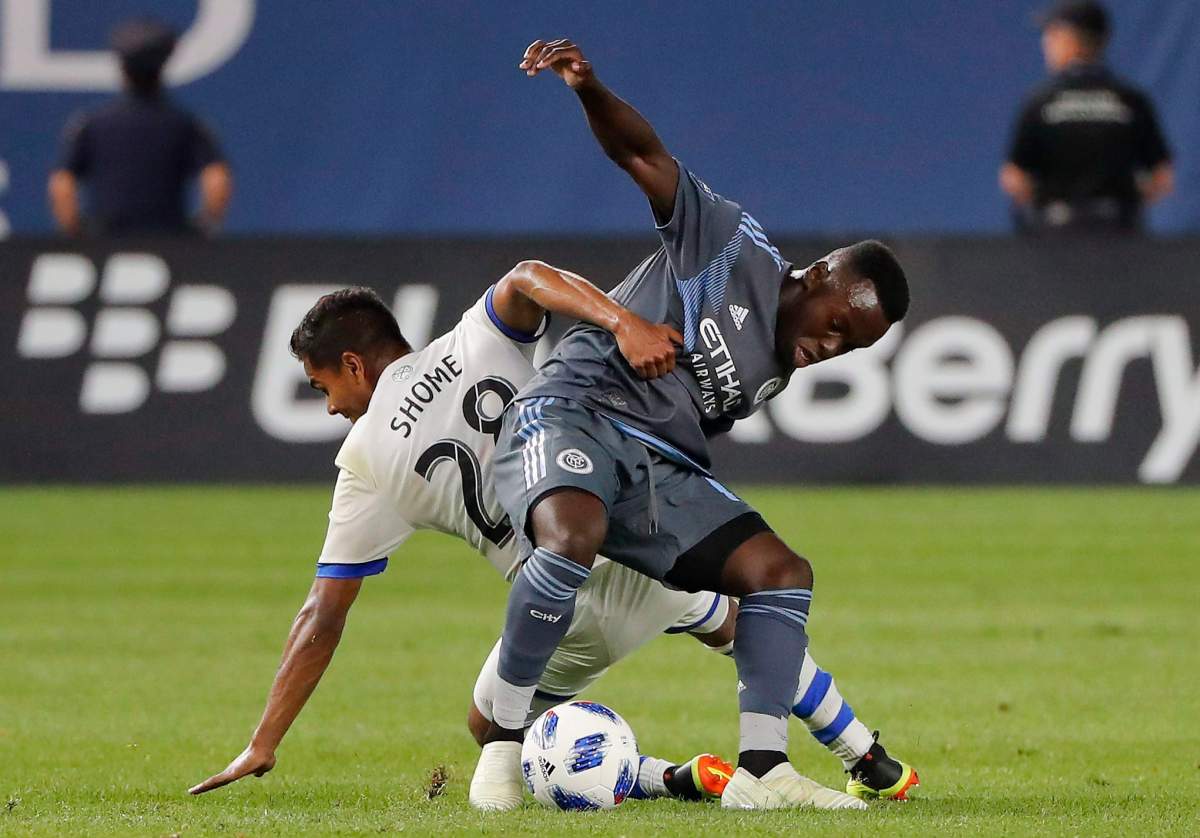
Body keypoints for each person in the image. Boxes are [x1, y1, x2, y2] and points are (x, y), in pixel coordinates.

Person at [188, 264, 912, 806]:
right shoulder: (474, 337)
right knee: (734, 617)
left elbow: (322, 616)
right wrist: (618, 318)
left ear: (352, 364)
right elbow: (532, 277)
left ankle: (665, 779)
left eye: (323, 389)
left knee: (489, 721)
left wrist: (264, 741)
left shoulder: (364, 464)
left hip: (558, 606)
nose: (330, 409)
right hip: (627, 530)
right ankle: (861, 752)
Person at [471, 38, 911, 813]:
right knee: (569, 538)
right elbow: (643, 154)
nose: (830, 349)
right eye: (837, 326)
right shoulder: (731, 244)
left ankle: (764, 771)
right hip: (572, 409)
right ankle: (501, 753)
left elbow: (686, 427)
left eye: (853, 348)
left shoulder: (774, 368)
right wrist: (587, 87)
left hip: (653, 465)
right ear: (810, 280)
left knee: (781, 572)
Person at [47, 18, 233, 237]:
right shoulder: (184, 124)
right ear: (164, 63)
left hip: (104, 243)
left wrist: (76, 233)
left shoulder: (92, 124)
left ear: (122, 66)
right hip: (170, 243)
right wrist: (202, 227)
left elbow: (62, 183)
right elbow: (216, 179)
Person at [999, 0, 1173, 234]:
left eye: (1051, 35)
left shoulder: (1040, 101)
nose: (1045, 43)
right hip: (1120, 235)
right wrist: (1130, 198)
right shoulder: (1131, 101)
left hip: (1056, 238)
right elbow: (1162, 178)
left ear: (1068, 38)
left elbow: (1014, 179)